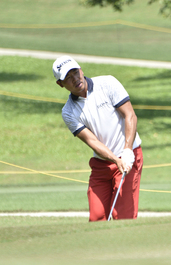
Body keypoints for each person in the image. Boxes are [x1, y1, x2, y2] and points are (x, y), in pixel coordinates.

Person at [52, 55, 143, 222]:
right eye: (68, 77)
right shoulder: (69, 112)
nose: (75, 79)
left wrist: (127, 151)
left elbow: (130, 115)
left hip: (128, 157)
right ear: (60, 84)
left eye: (75, 72)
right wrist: (116, 159)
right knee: (97, 218)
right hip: (103, 164)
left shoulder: (107, 83)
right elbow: (92, 142)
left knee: (122, 216)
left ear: (81, 69)